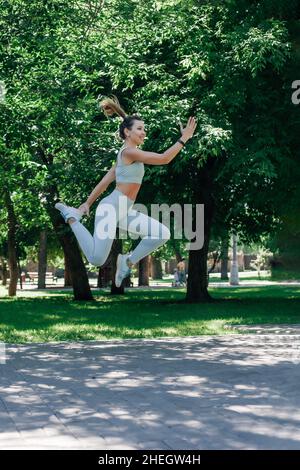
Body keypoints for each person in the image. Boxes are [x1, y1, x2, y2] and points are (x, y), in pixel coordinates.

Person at [55, 95, 197, 288]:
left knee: (161, 234)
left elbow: (106, 180)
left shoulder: (127, 155)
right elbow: (164, 158)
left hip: (125, 210)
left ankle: (127, 261)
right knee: (97, 259)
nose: (144, 132)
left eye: (144, 128)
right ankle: (71, 217)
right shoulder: (128, 152)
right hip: (111, 208)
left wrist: (88, 203)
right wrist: (184, 138)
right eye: (140, 129)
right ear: (127, 132)